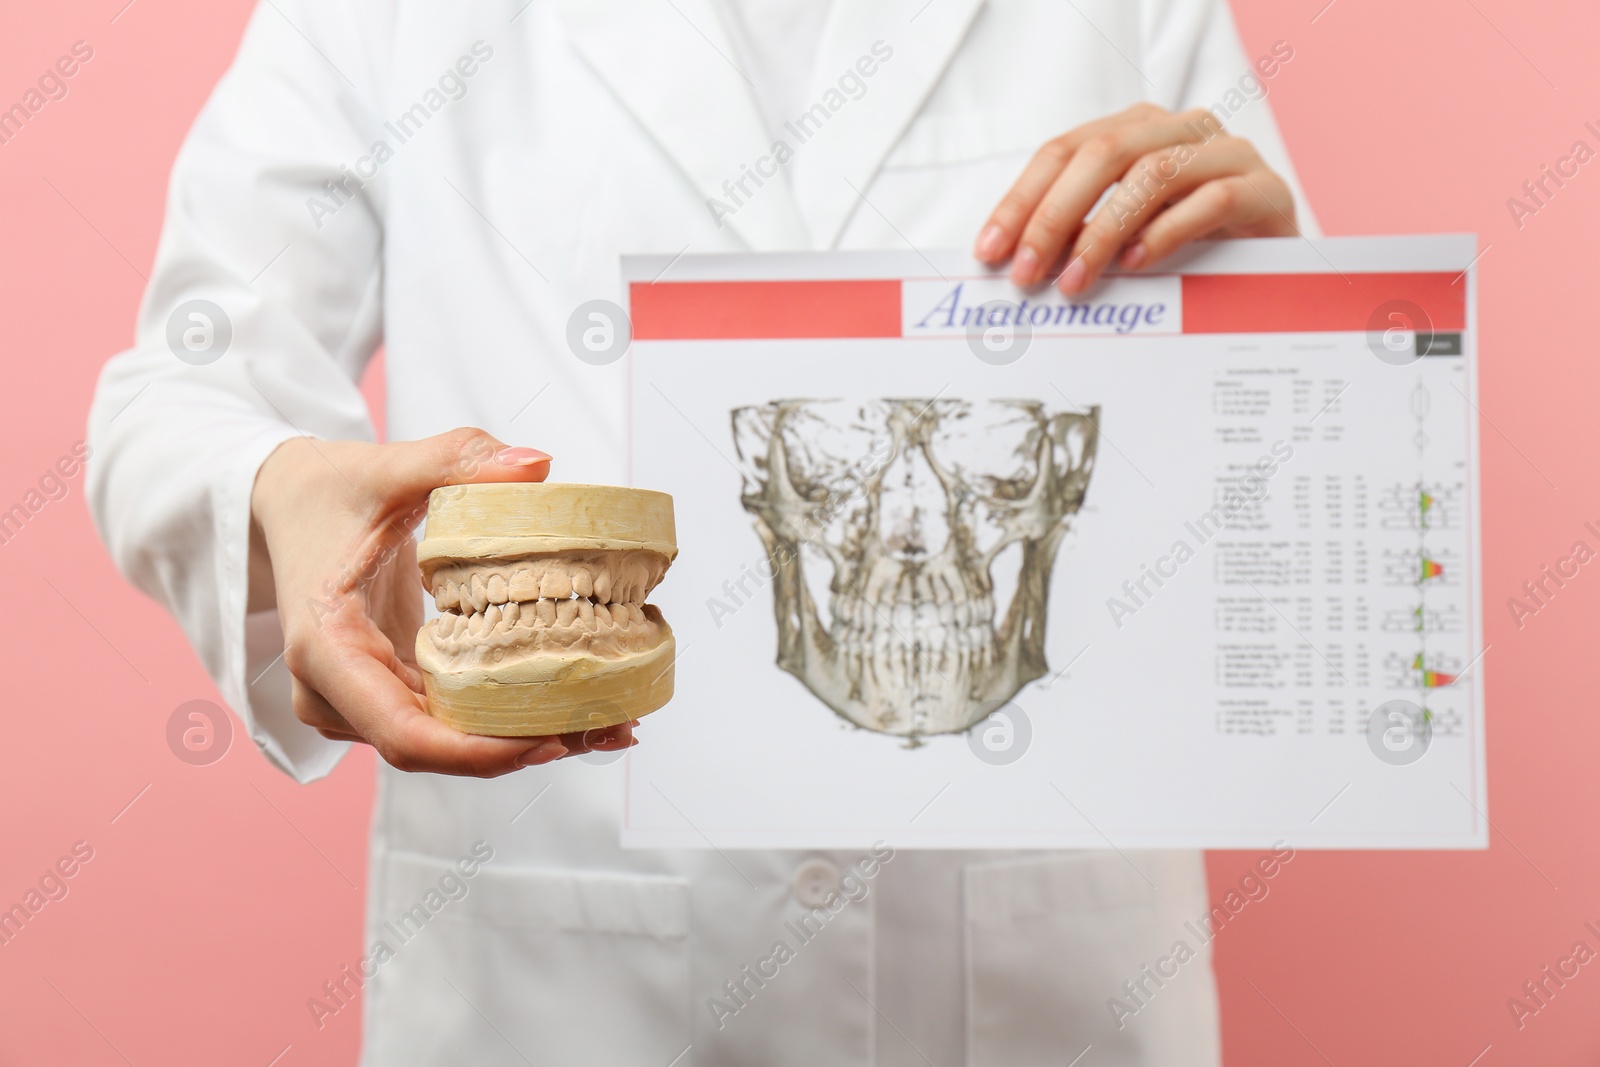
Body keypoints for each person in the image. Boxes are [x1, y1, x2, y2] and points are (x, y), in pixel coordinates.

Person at [88, 0, 1316, 1063]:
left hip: (1047, 985)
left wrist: (1281, 332)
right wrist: (278, 496)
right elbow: (174, 395)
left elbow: (1296, 489)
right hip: (559, 982)